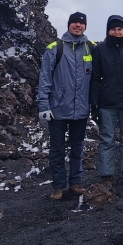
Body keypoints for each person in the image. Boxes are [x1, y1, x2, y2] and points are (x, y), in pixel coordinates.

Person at [37, 12, 94, 200]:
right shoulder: (55, 48)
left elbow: (111, 53)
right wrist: (44, 105)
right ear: (69, 25)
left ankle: (76, 183)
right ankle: (58, 187)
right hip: (58, 109)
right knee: (57, 149)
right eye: (75, 23)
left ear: (85, 26)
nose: (78, 26)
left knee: (77, 148)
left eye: (81, 23)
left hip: (81, 110)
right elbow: (44, 79)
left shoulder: (91, 48)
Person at [89, 15, 123, 189]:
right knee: (107, 140)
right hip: (107, 103)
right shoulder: (100, 50)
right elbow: (95, 78)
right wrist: (94, 105)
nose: (117, 31)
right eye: (113, 29)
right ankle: (106, 176)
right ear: (108, 30)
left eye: (120, 29)